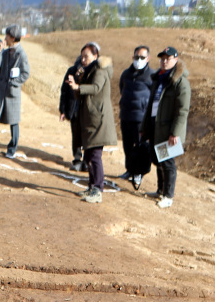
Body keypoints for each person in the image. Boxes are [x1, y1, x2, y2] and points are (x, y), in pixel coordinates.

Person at [66, 43, 117, 204]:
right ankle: (91, 186)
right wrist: (76, 83)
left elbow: (95, 88)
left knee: (95, 156)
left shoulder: (100, 70)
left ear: (95, 56)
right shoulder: (89, 71)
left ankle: (98, 189)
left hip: (98, 119)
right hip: (89, 119)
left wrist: (78, 86)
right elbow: (82, 95)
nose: (83, 59)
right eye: (81, 56)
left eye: (86, 56)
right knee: (88, 155)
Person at [140, 45, 190, 209]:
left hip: (169, 131)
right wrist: (144, 127)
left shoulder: (180, 82)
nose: (164, 61)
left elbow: (182, 111)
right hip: (155, 126)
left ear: (176, 60)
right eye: (162, 58)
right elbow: (150, 107)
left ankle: (168, 196)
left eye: (168, 58)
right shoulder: (159, 79)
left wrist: (175, 132)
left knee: (167, 163)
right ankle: (160, 190)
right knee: (157, 159)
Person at [0, 24, 29, 157]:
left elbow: (25, 73)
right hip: (1, 91)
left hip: (12, 93)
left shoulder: (21, 54)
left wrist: (13, 83)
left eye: (7, 36)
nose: (5, 38)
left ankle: (12, 149)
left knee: (14, 122)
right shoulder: (6, 51)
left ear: (13, 38)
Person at [118, 44, 153, 188]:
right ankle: (129, 170)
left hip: (141, 118)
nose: (139, 60)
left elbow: (154, 97)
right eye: (136, 57)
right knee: (127, 146)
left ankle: (138, 172)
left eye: (142, 57)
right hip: (126, 115)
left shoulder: (151, 76)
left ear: (148, 58)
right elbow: (122, 88)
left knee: (140, 147)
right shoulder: (126, 74)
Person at [59, 53, 84, 171]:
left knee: (87, 136)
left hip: (86, 111)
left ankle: (88, 161)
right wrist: (63, 110)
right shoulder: (71, 71)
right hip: (73, 109)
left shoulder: (92, 73)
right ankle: (77, 159)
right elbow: (64, 91)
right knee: (76, 135)